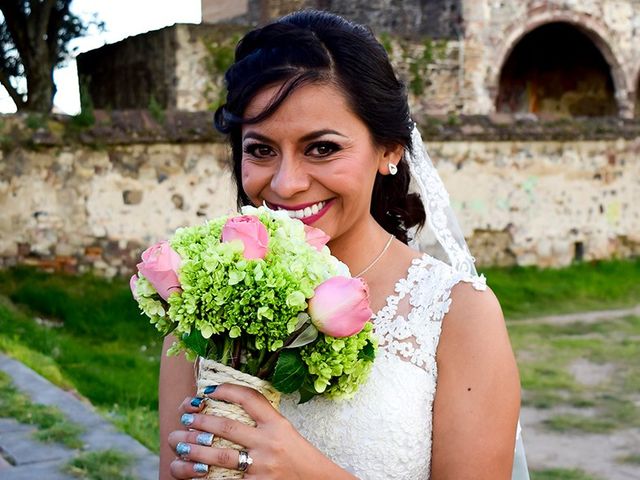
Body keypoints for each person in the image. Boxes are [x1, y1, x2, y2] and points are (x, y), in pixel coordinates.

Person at [159, 9, 523, 479]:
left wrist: (303, 472)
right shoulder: (200, 305)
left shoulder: (457, 315)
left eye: (322, 148)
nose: (287, 184)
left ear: (389, 149)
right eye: (261, 149)